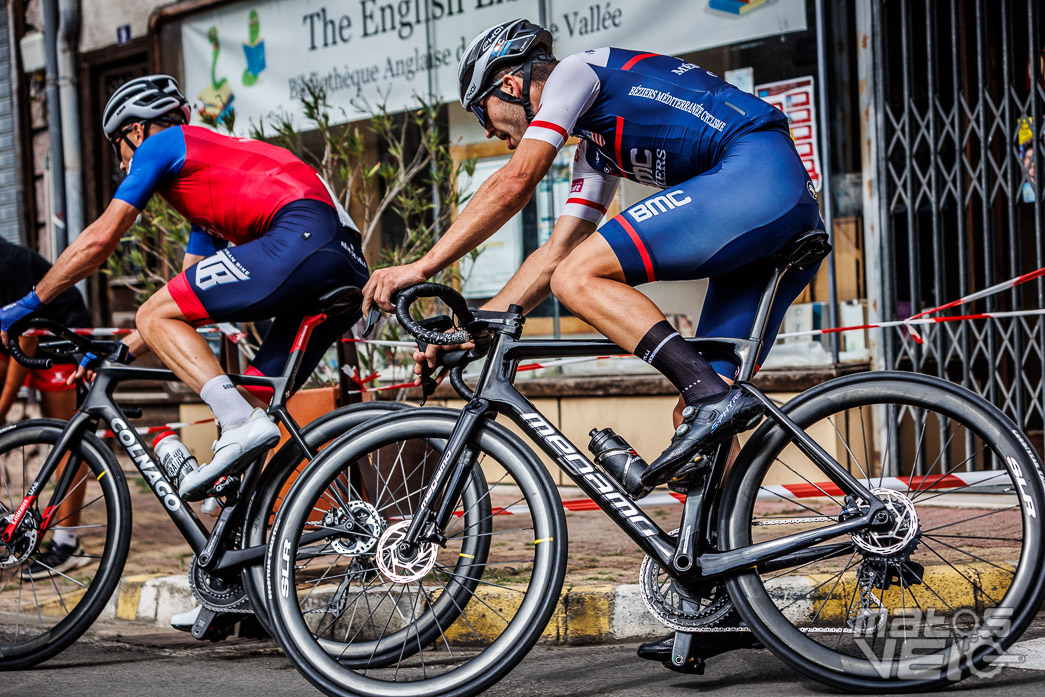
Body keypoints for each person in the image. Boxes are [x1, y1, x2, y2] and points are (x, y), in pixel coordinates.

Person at [362, 19, 824, 663]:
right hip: (771, 209)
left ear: (512, 82)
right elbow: (556, 250)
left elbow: (516, 186)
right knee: (703, 415)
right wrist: (477, 327)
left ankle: (708, 396)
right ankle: (719, 604)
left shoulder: (577, 75)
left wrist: (419, 268)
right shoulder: (595, 150)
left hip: (755, 176)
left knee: (591, 284)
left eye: (487, 114)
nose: (493, 132)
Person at [0, 75, 369, 628]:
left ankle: (241, 426)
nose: (125, 159)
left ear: (136, 130)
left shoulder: (164, 144)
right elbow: (193, 284)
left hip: (301, 238)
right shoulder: (208, 184)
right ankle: (233, 585)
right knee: (245, 419)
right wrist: (122, 350)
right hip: (341, 260)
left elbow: (101, 240)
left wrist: (27, 304)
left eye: (119, 146)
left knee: (163, 324)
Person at [0, 238, 94, 579]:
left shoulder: (7, 263)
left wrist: (5, 403)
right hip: (22, 338)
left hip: (60, 336)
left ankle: (68, 545)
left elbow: (24, 334)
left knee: (67, 440)